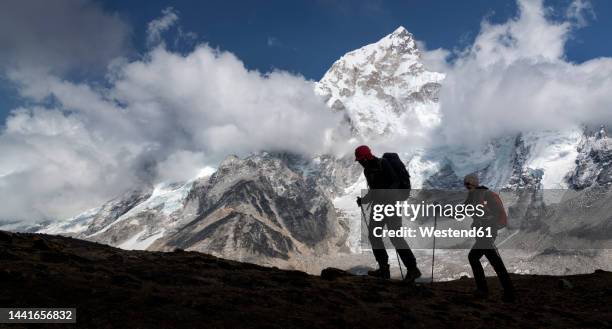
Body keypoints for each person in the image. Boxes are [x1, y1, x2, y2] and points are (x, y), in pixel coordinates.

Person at [355, 145, 421, 282]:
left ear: (367, 157)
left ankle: (413, 269)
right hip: (380, 205)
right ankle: (384, 269)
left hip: (391, 204)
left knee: (395, 237)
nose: (360, 162)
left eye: (361, 159)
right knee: (374, 236)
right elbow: (373, 190)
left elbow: (396, 182)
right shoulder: (367, 170)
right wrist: (364, 200)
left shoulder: (383, 163)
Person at [463, 174, 515, 302]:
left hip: (486, 233)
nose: (467, 186)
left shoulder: (488, 195)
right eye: (466, 184)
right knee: (479, 258)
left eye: (469, 183)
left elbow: (502, 217)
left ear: (475, 183)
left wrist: (491, 227)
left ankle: (503, 292)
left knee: (490, 260)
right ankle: (495, 291)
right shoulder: (473, 197)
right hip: (482, 233)